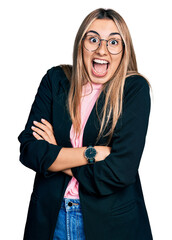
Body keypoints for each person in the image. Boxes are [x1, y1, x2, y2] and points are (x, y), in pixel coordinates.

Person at [18, 8, 153, 240]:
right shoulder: (55, 80)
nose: (102, 49)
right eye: (93, 39)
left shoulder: (134, 89)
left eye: (113, 42)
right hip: (51, 219)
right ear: (80, 44)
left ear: (124, 50)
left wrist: (55, 157)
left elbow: (120, 171)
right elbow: (30, 151)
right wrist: (92, 154)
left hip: (111, 225)